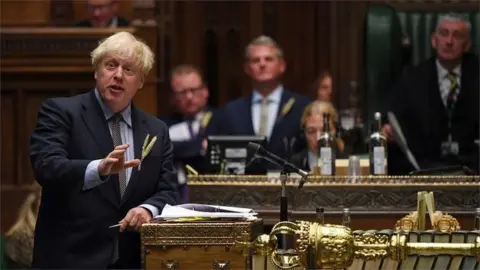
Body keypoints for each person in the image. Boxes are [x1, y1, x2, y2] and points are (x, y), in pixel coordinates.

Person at [29, 31, 179, 269]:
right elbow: (46, 167)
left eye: (129, 69)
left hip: (134, 259)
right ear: (96, 71)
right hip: (71, 258)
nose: (118, 75)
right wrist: (97, 168)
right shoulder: (61, 111)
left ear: (141, 81)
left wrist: (147, 209)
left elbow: (169, 190)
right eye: (111, 65)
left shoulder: (156, 129)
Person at [382, 13, 479, 174]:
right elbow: (392, 117)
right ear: (434, 40)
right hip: (425, 170)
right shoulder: (411, 78)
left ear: (467, 45)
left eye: (457, 36)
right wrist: (388, 130)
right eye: (443, 34)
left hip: (474, 173)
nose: (449, 41)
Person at [213, 35, 312, 168]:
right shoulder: (231, 112)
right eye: (255, 60)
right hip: (244, 185)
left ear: (282, 66)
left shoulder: (303, 106)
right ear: (247, 69)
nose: (262, 64)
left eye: (268, 59)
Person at [160, 64, 215, 202]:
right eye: (182, 92)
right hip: (176, 197)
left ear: (205, 90)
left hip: (213, 195)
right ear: (173, 96)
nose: (189, 97)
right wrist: (200, 147)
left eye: (194, 90)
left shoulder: (221, 120)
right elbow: (161, 151)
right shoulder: (162, 125)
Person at [291, 101, 346, 172]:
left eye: (324, 131)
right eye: (311, 131)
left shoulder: (347, 161)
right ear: (303, 133)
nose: (318, 138)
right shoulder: (293, 164)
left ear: (336, 131)